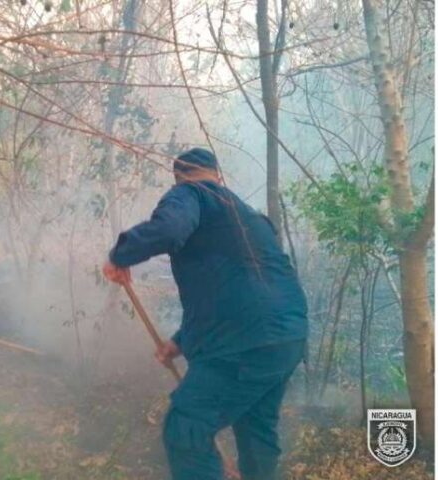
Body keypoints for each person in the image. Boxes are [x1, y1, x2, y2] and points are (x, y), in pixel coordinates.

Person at [103, 148, 308, 480]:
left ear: (179, 178)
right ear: (219, 176)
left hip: (241, 343)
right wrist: (180, 341)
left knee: (186, 429)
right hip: (288, 338)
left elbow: (170, 230)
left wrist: (120, 255)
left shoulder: (191, 193)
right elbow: (235, 287)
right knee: (256, 429)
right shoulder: (248, 217)